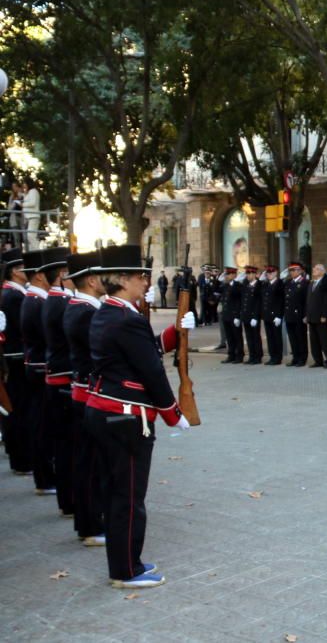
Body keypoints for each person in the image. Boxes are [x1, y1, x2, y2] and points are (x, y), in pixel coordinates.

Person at [85, 244, 192, 588]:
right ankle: (126, 570)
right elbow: (151, 371)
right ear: (122, 279)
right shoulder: (127, 318)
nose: (145, 282)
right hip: (127, 418)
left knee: (117, 492)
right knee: (128, 497)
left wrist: (177, 332)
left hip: (105, 412)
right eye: (139, 276)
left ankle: (125, 561)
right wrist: (174, 413)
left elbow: (144, 350)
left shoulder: (110, 312)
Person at [62, 251, 106, 547]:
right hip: (89, 393)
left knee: (87, 460)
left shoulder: (79, 306)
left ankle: (88, 521)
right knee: (90, 462)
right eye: (102, 275)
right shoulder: (87, 312)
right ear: (91, 280)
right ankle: (90, 525)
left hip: (82, 390)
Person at [40, 246, 76, 518]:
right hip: (64, 378)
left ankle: (68, 499)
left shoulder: (53, 300)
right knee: (69, 446)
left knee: (65, 444)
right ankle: (71, 500)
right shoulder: (62, 303)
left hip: (56, 374)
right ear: (63, 274)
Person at [21, 249, 58, 495]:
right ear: (38, 276)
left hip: (35, 365)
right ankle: (44, 477)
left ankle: (43, 476)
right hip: (40, 367)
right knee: (42, 425)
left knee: (39, 422)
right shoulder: (37, 301)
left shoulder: (33, 299)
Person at [1, 248, 31, 476]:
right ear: (13, 271)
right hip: (16, 358)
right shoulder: (13, 296)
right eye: (22, 267)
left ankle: (19, 455)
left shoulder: (14, 293)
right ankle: (21, 457)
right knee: (18, 408)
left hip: (15, 357)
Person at [306, 263, 327, 368]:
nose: (314, 270)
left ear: (322, 272)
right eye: (314, 268)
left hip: (321, 317)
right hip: (311, 316)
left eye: (317, 269)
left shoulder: (325, 283)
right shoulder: (311, 283)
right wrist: (306, 315)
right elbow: (308, 301)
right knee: (314, 341)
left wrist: (325, 315)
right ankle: (318, 360)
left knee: (324, 340)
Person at [283, 262, 309, 367]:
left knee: (300, 338)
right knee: (292, 338)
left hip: (299, 315)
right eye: (291, 270)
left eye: (295, 270)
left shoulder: (305, 283)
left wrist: (306, 315)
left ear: (301, 271)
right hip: (289, 315)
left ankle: (302, 358)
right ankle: (295, 357)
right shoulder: (288, 282)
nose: (292, 272)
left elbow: (307, 301)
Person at [219, 267, 244, 364]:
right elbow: (217, 291)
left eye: (230, 274)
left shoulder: (238, 285)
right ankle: (231, 355)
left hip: (234, 315)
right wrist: (219, 280)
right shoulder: (225, 285)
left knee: (237, 336)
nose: (228, 276)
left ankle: (239, 355)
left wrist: (238, 316)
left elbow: (237, 297)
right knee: (229, 337)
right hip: (226, 315)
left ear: (234, 275)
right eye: (227, 274)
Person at [261, 265, 285, 365]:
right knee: (270, 337)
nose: (269, 274)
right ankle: (272, 356)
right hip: (267, 315)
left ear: (276, 273)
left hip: (275, 316)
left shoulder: (280, 284)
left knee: (277, 337)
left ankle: (278, 358)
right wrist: (261, 279)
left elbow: (281, 301)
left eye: (271, 272)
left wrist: (279, 315)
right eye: (267, 272)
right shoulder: (265, 284)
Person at [240, 266, 263, 365]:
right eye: (247, 273)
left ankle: (258, 356)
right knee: (249, 337)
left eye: (250, 273)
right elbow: (243, 301)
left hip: (254, 316)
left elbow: (258, 302)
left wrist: (255, 316)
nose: (248, 275)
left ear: (255, 274)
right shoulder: (245, 285)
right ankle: (252, 356)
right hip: (246, 315)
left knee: (255, 336)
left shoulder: (259, 285)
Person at [22, 178, 40, 249]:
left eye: (25, 183)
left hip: (33, 216)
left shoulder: (33, 191)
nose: (24, 185)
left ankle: (38, 251)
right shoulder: (29, 192)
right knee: (30, 236)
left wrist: (22, 204)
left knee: (30, 235)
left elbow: (33, 203)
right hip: (29, 217)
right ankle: (34, 253)